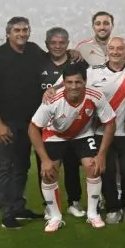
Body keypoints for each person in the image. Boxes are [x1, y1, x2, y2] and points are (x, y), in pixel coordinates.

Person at [0, 17, 55, 229]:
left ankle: (18, 206)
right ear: (8, 33)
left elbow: (54, 60)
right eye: (17, 30)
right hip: (6, 122)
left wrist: (72, 55)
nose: (22, 33)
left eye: (25, 29)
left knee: (23, 164)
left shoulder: (33, 50)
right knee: (6, 165)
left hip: (30, 121)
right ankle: (7, 214)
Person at [28, 64, 116, 232]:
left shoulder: (95, 96)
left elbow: (110, 123)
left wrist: (101, 154)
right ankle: (55, 217)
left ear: (85, 81)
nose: (74, 86)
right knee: (48, 173)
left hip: (82, 134)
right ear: (64, 82)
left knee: (93, 168)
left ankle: (92, 214)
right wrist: (45, 160)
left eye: (78, 82)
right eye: (69, 82)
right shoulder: (52, 100)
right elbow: (33, 128)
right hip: (55, 135)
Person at [87, 37, 125, 224]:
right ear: (107, 52)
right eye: (112, 48)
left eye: (120, 48)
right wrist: (52, 89)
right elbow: (69, 82)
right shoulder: (93, 72)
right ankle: (112, 208)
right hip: (102, 132)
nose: (116, 52)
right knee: (107, 170)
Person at [42, 27, 86, 218]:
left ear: (68, 44)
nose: (58, 46)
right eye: (53, 43)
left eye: (62, 43)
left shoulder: (77, 62)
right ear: (47, 44)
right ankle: (49, 205)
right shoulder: (39, 63)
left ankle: (74, 202)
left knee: (72, 165)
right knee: (48, 166)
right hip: (48, 126)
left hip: (74, 125)